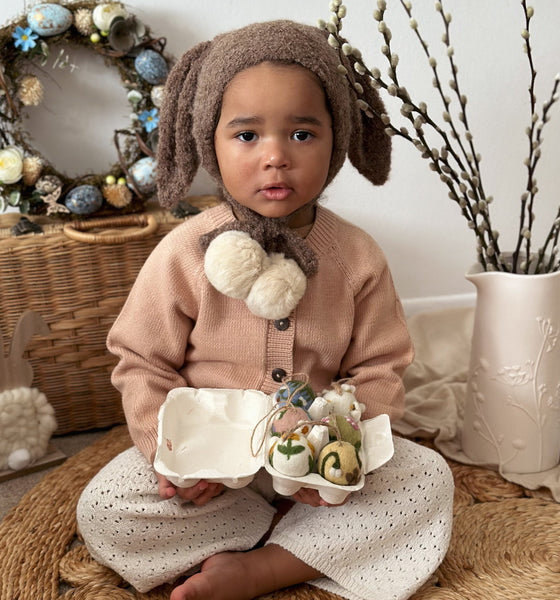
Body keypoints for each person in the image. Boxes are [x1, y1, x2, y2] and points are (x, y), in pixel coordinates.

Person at [77, 20, 454, 600]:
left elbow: (381, 369)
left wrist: (340, 446)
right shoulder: (184, 251)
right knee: (104, 509)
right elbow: (139, 360)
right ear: (211, 141)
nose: (275, 157)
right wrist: (168, 453)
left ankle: (265, 566)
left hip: (315, 459)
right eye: (247, 135)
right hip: (211, 467)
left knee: (427, 480)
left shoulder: (356, 256)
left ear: (337, 139)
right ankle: (293, 538)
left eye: (302, 135)